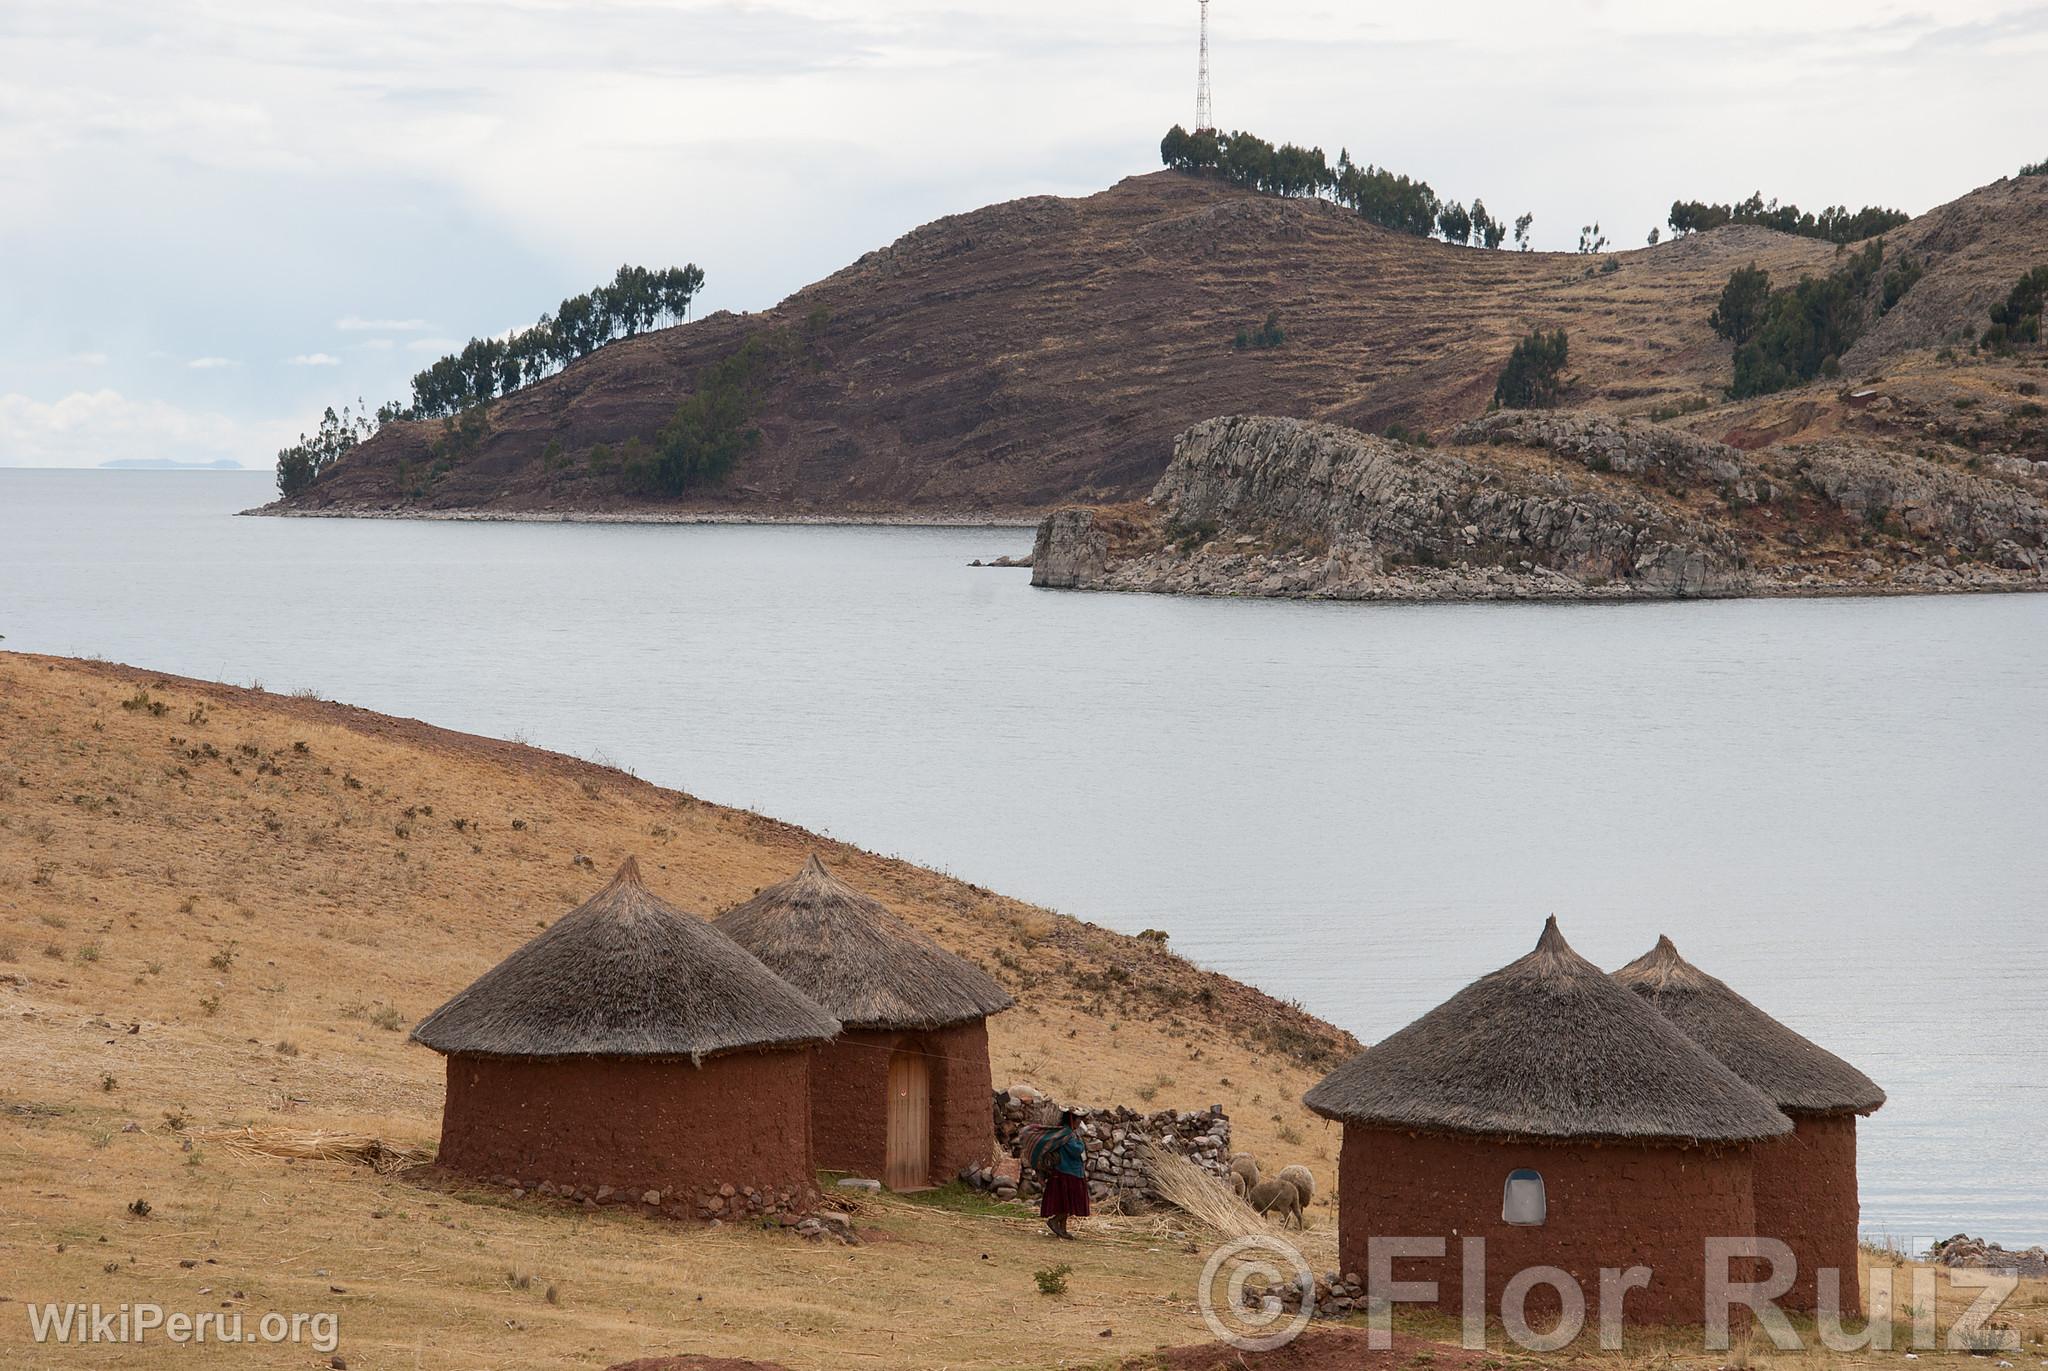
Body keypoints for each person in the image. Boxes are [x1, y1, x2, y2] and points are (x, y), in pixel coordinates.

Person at [1033, 1108, 1089, 1239]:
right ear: (1072, 1120)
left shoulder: (1066, 1133)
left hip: (1067, 1171)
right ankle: (1054, 1221)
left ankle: (1062, 1229)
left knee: (1064, 1203)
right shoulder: (1067, 1135)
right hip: (1068, 1172)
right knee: (1070, 1203)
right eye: (1078, 1119)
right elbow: (1076, 1150)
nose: (1080, 1122)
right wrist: (1081, 1142)